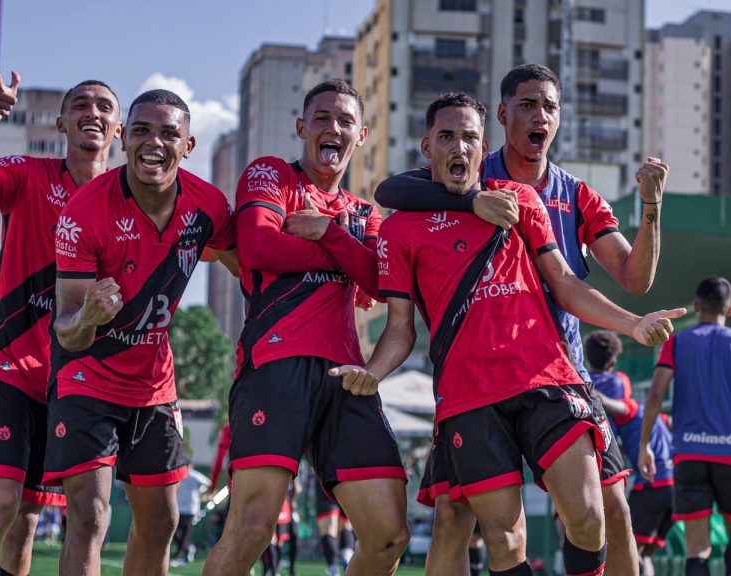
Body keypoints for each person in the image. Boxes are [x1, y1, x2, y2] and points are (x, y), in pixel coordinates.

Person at [338, 92, 683, 575]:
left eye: (469, 137)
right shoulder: (399, 231)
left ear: (484, 147)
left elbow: (565, 282)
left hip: (548, 378)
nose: (459, 146)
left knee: (591, 517)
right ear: (427, 146)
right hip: (470, 396)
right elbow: (399, 327)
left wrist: (633, 322)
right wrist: (374, 371)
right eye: (446, 136)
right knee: (502, 539)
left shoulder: (519, 199)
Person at [203, 79, 409, 576]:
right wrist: (345, 252)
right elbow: (259, 247)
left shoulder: (366, 213)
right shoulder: (271, 175)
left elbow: (381, 283)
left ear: (361, 135)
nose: (333, 127)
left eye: (345, 121)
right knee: (252, 528)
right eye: (322, 117)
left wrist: (327, 234)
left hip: (347, 377)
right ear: (301, 126)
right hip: (275, 365)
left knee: (388, 537)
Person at [45, 89, 236, 576]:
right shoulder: (84, 212)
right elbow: (67, 331)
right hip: (87, 377)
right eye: (142, 131)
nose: (155, 142)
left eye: (169, 133)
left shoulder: (209, 205)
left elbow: (249, 267)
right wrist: (89, 316)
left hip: (153, 386)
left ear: (188, 145)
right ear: (124, 138)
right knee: (90, 515)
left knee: (162, 523)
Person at [0, 74, 121, 576]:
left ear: (118, 128)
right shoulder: (27, 174)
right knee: (3, 499)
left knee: (28, 520)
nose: (92, 112)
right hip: (11, 363)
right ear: (60, 122)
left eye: (104, 106)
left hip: (78, 382)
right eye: (80, 105)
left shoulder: (132, 198)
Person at [639, 277, 731, 576]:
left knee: (697, 547)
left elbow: (655, 394)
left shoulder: (676, 342)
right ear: (729, 309)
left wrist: (644, 445)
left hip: (689, 455)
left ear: (696, 306)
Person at [586, 331, 674, 576]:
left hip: (649, 484)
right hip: (674, 487)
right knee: (644, 554)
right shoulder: (655, 418)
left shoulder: (631, 408)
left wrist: (587, 390)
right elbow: (672, 425)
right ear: (613, 362)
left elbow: (617, 408)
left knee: (626, 548)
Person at [171, 463, 211, 566]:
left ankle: (178, 556)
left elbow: (208, 483)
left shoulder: (194, 475)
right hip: (179, 508)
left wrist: (200, 491)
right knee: (174, 533)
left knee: (184, 535)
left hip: (190, 510)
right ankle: (188, 548)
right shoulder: (179, 475)